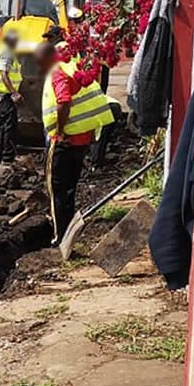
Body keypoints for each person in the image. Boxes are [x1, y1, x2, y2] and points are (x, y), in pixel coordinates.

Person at [36, 41, 116, 244]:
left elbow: (63, 101)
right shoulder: (76, 68)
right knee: (69, 188)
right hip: (82, 139)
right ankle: (69, 231)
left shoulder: (58, 72)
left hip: (65, 140)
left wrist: (60, 131)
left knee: (57, 190)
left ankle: (60, 237)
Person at [0, 30, 23, 164]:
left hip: (0, 95)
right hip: (5, 95)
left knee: (1, 126)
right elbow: (4, 74)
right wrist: (14, 92)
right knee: (9, 126)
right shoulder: (8, 53)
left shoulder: (3, 52)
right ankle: (7, 157)